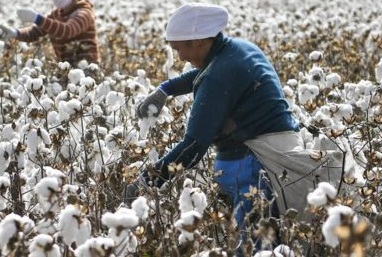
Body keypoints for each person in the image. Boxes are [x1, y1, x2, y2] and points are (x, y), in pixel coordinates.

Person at [129, 1, 342, 250]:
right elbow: (206, 71)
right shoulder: (238, 49)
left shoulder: (218, 76)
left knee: (256, 246)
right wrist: (166, 89)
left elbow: (194, 146)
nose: (181, 57)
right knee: (266, 242)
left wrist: (147, 181)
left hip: (256, 165)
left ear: (199, 41)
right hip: (271, 155)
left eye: (181, 49)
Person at [0, 0, 99, 66]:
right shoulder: (56, 14)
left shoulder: (85, 13)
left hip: (88, 70)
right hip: (67, 69)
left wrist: (38, 19)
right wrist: (15, 33)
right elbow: (35, 32)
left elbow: (68, 30)